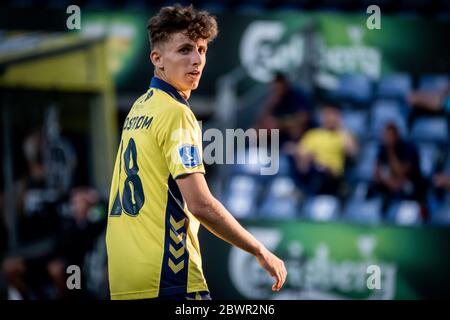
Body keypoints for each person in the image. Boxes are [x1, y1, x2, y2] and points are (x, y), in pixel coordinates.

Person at [105, 5, 286, 301]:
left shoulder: (139, 108)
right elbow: (200, 204)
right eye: (185, 50)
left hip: (126, 279)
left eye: (201, 49)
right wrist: (259, 249)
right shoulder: (176, 113)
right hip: (168, 276)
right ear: (157, 58)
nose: (197, 60)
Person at [289, 103, 358, 196]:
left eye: (331, 115)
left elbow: (352, 152)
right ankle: (301, 190)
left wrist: (341, 128)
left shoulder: (343, 134)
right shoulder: (313, 134)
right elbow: (302, 152)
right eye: (326, 115)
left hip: (332, 175)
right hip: (312, 168)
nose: (328, 118)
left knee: (322, 169)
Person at [371, 123, 426, 217]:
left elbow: (401, 171)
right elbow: (376, 173)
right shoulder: (382, 148)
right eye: (385, 135)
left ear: (397, 135)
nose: (386, 138)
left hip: (410, 191)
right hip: (389, 186)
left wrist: (391, 151)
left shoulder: (409, 148)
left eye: (389, 136)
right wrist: (389, 182)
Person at [256, 72, 314, 148]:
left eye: (279, 84)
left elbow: (304, 118)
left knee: (295, 130)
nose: (277, 88)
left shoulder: (298, 95)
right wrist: (270, 104)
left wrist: (280, 123)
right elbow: (262, 121)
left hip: (298, 136)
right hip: (277, 138)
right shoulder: (274, 99)